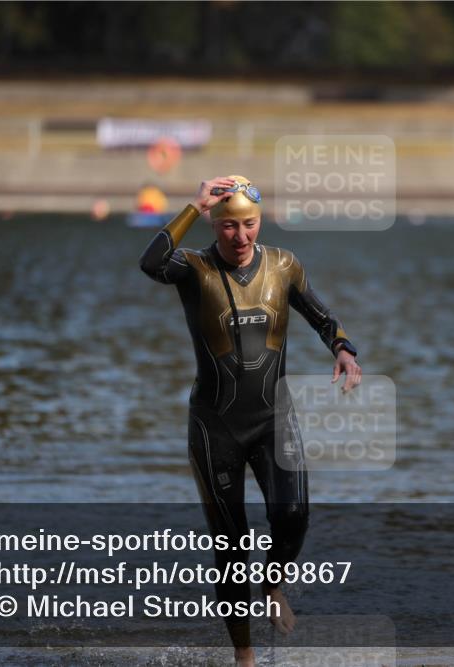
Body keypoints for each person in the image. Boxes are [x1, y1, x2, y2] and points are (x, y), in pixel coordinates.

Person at [139, 175, 361, 667]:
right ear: (216, 225)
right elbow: (151, 261)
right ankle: (244, 655)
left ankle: (274, 583)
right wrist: (195, 205)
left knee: (294, 515)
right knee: (231, 546)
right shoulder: (194, 268)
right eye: (230, 227)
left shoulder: (283, 265)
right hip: (213, 428)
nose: (241, 237)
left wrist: (343, 349)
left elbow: (321, 316)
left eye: (250, 225)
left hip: (272, 418)